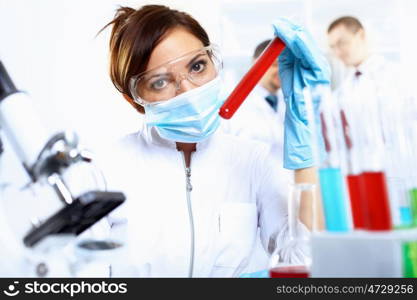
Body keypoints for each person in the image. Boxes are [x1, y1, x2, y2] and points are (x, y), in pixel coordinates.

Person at [99, 5, 329, 277]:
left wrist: (305, 151)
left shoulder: (251, 159)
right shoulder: (105, 169)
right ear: (134, 99)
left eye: (197, 66)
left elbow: (306, 260)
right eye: (160, 82)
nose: (189, 90)